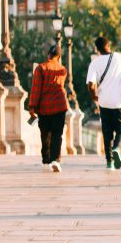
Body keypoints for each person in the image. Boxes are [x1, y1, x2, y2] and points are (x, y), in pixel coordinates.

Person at [86, 36, 121, 169]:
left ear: (97, 49)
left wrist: (94, 96)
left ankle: (109, 161)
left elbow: (90, 84)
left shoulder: (94, 63)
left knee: (107, 132)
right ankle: (117, 148)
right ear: (109, 45)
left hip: (104, 102)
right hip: (120, 102)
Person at [28, 44, 69, 172]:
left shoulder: (40, 68)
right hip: (60, 105)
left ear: (48, 55)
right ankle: (55, 160)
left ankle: (46, 160)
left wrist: (32, 106)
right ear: (59, 56)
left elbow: (36, 89)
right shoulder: (63, 70)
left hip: (44, 107)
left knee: (45, 134)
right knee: (57, 134)